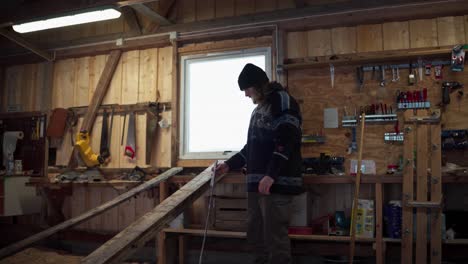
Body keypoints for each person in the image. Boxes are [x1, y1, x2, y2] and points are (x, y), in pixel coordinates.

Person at [215, 63, 303, 264]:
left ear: (258, 85)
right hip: (258, 184)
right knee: (256, 236)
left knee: (275, 240)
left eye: (247, 89)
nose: (246, 95)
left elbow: (287, 140)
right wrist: (229, 165)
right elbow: (252, 147)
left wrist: (271, 174)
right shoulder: (259, 109)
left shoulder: (282, 101)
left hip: (275, 184)